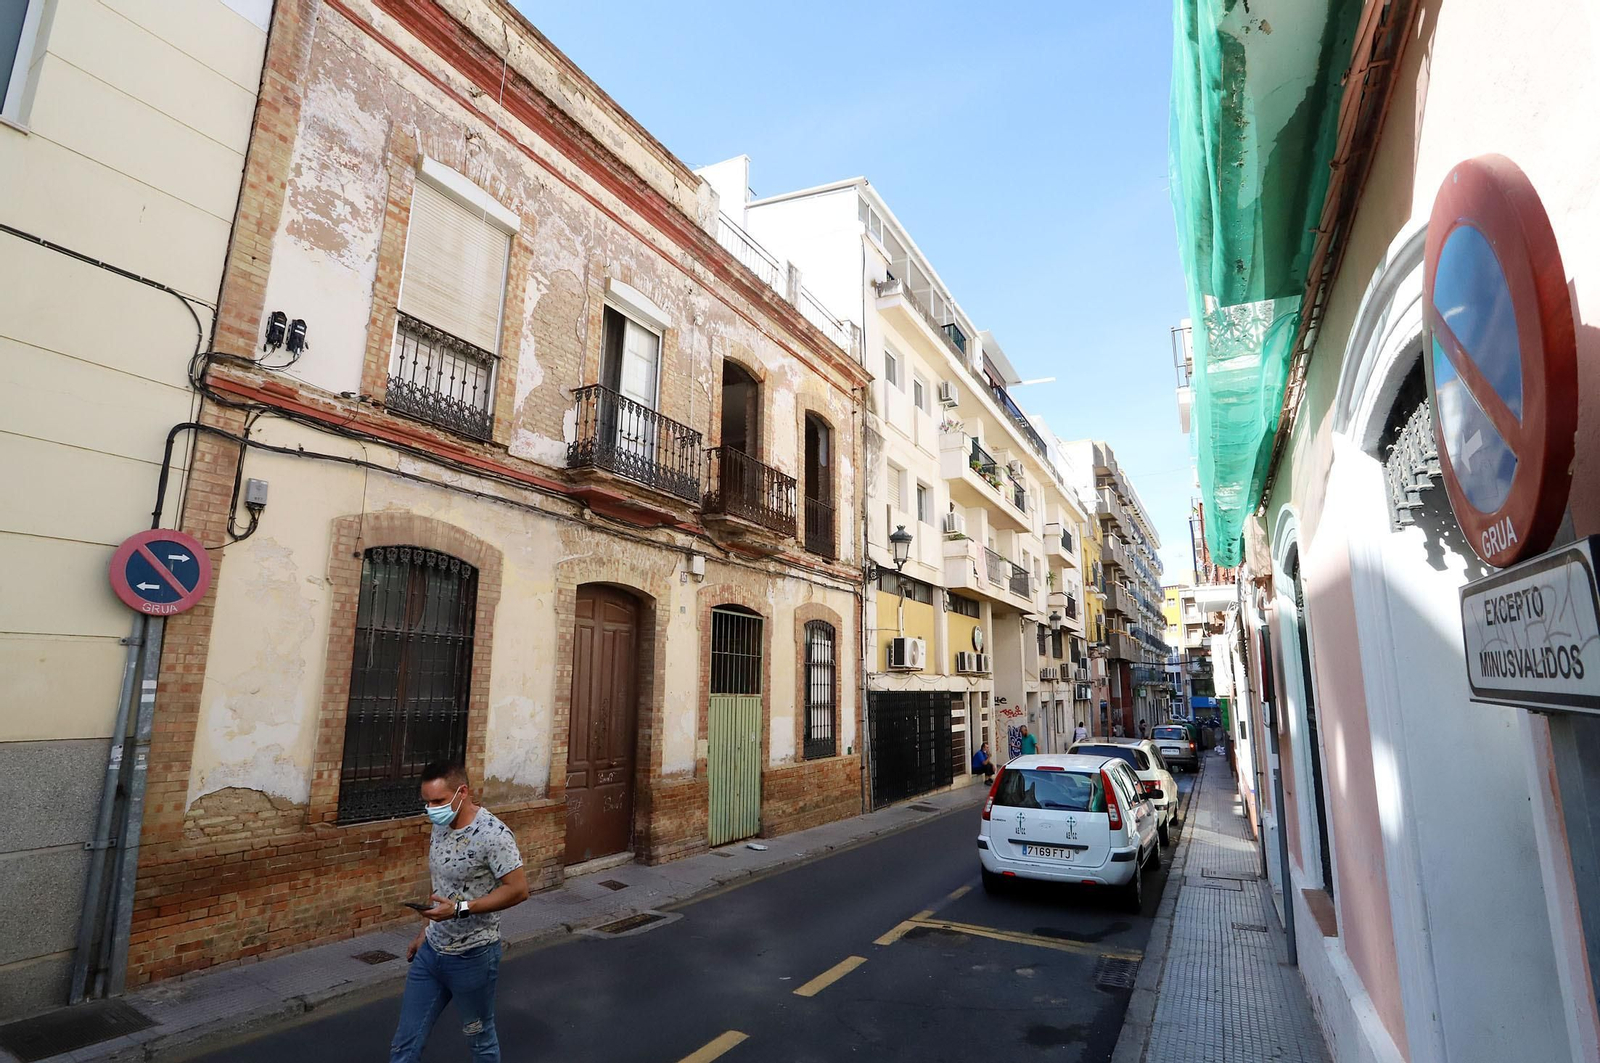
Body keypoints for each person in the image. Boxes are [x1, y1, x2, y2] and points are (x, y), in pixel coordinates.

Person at [390, 762, 530, 1063]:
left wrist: (460, 910)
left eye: (438, 801)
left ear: (462, 792)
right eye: (426, 802)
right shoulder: (439, 826)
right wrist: (424, 933)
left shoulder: (494, 834)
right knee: (405, 1043)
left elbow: (518, 889)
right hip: (431, 955)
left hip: (473, 957)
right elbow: (442, 886)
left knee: (479, 1040)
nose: (431, 809)